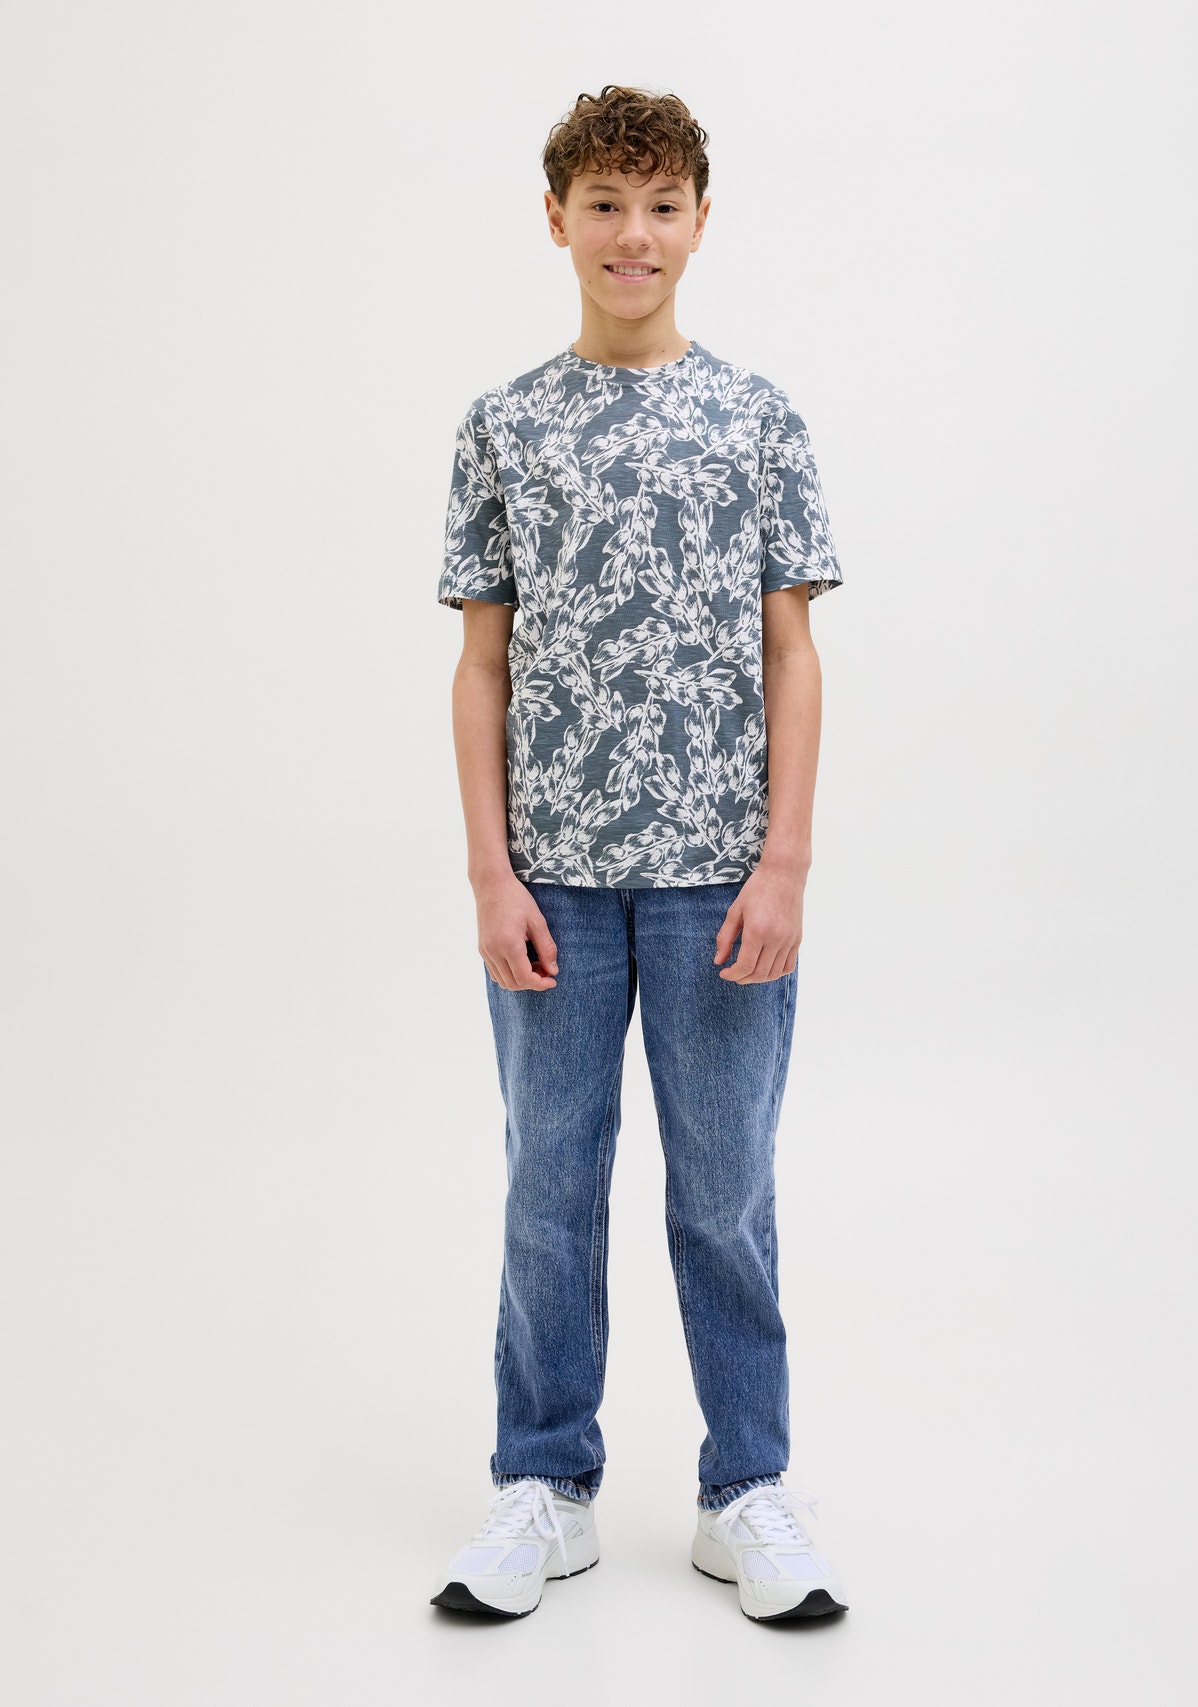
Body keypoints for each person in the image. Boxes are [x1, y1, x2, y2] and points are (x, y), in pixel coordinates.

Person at [429, 84, 849, 1624]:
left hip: (717, 880)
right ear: (558, 220)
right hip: (551, 881)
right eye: (604, 204)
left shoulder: (757, 420)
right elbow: (482, 665)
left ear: (699, 223)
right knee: (550, 1181)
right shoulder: (504, 426)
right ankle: (544, 1483)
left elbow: (791, 653)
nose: (633, 234)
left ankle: (747, 1489)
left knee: (723, 1187)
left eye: (661, 205)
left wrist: (784, 860)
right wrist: (491, 873)